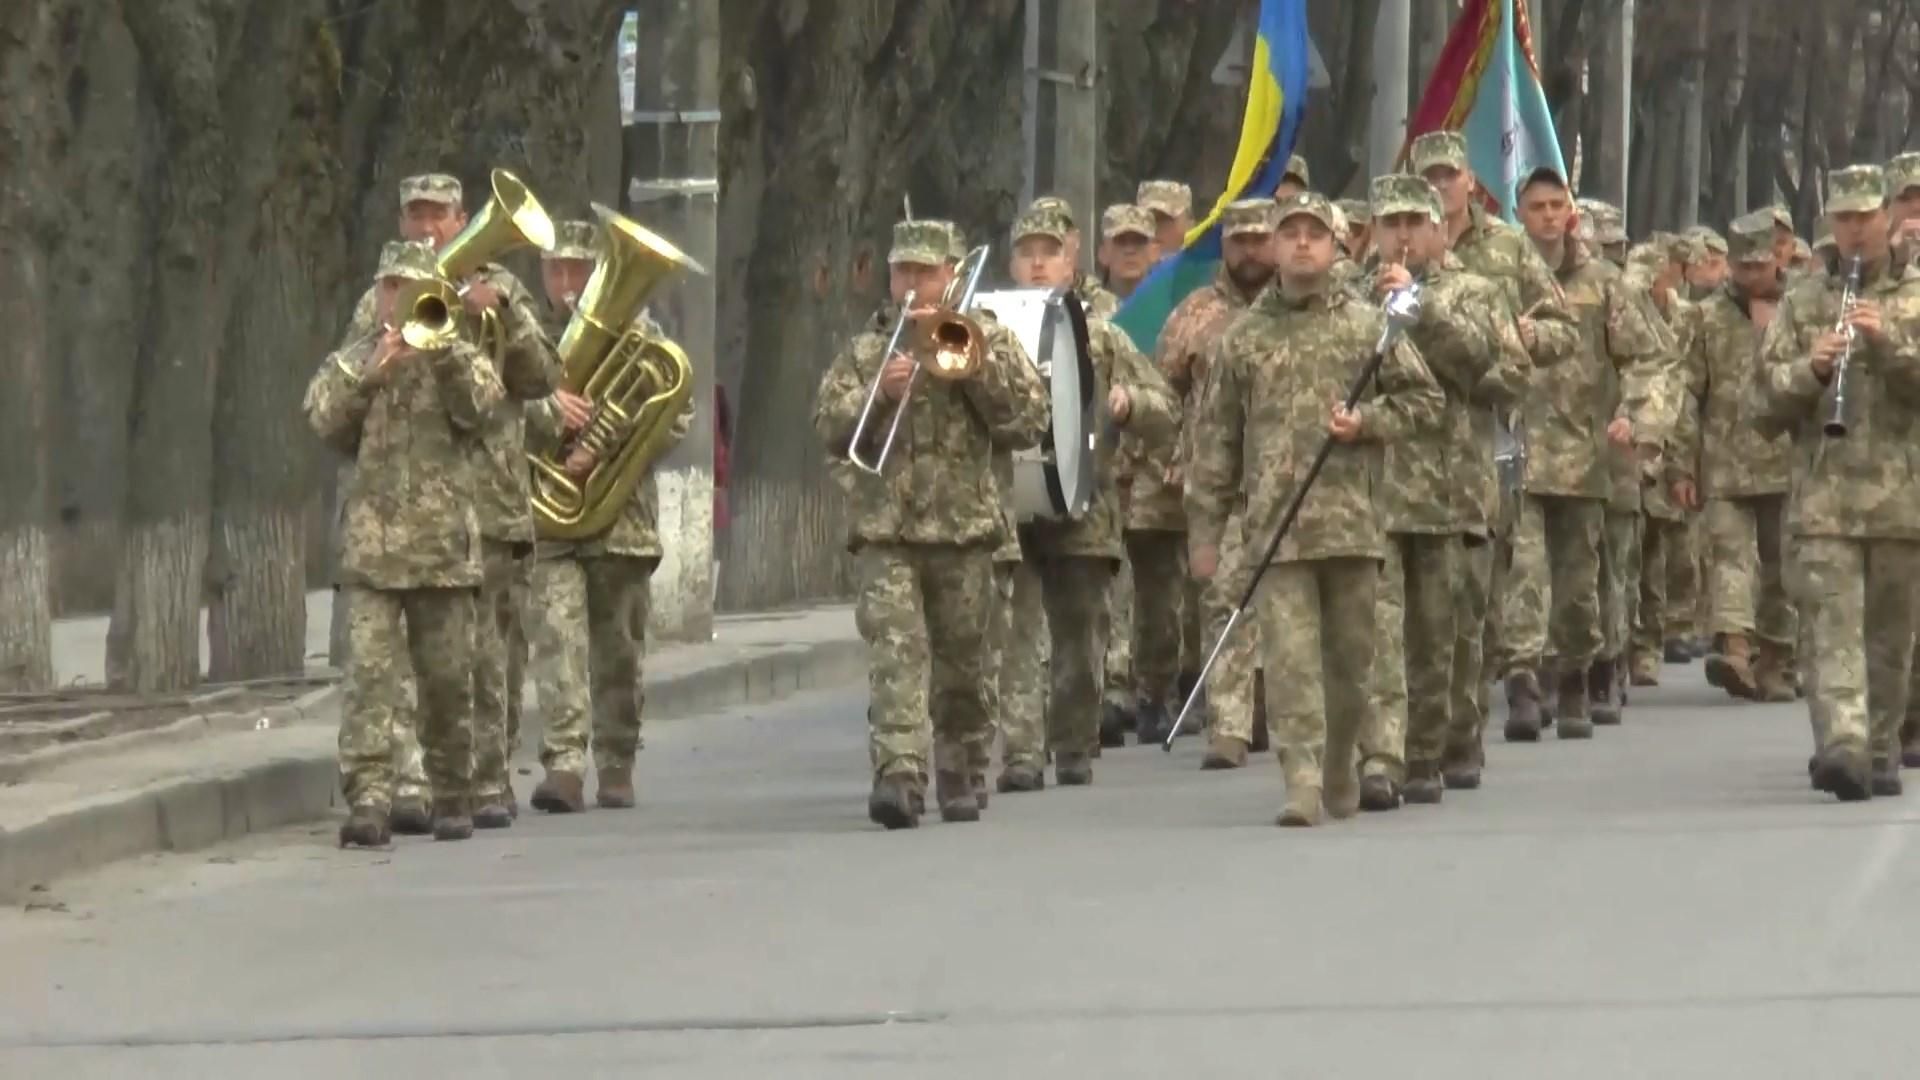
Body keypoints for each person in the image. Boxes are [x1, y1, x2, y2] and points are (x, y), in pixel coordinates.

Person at [1188, 191, 1443, 827]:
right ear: (1273, 246)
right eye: (1290, 233)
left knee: (1352, 662)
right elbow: (1216, 438)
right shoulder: (1243, 338)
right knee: (1291, 662)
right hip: (1276, 530)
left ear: (1336, 247)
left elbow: (1424, 403)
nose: (1302, 243)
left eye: (1315, 234)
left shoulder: (1367, 325)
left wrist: (1368, 421)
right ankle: (1299, 778)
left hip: (1353, 524)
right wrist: (1206, 531)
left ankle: (1339, 762)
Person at [337, 172, 558, 834]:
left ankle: (485, 780)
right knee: (402, 665)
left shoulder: (501, 291)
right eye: (415, 216)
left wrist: (501, 313)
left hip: (491, 497)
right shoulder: (383, 294)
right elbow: (349, 378)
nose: (427, 227)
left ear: (463, 217)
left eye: (438, 215)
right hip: (412, 516)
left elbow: (543, 376)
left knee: (486, 660)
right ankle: (411, 785)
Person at [813, 218, 1048, 826]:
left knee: (964, 664)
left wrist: (975, 369)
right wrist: (878, 394)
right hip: (887, 530)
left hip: (966, 531)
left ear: (951, 275)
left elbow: (1028, 421)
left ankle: (961, 767)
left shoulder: (984, 336)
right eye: (903, 271)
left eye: (926, 272)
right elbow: (828, 427)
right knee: (897, 653)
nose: (913, 284)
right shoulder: (869, 348)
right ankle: (899, 775)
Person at [304, 240, 504, 846]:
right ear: (379, 292)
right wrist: (370, 376)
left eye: (413, 287)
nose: (401, 298)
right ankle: (369, 799)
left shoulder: (458, 355)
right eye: (392, 286)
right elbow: (321, 419)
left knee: (447, 681)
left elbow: (484, 411)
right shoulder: (358, 355)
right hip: (372, 553)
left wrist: (441, 354)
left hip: (442, 553)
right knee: (369, 680)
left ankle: (450, 794)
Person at [1355, 174, 1532, 806]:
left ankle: (1439, 745)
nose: (1402, 236)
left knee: (1447, 634)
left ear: (1438, 228)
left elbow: (1508, 379)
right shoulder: (1351, 297)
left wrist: (1422, 313)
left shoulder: (1475, 293)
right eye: (1390, 224)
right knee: (1376, 634)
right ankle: (1386, 755)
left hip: (1452, 491)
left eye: (1414, 223)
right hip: (1371, 493)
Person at [1407, 130, 1581, 763]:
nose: (1440, 188)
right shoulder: (1389, 258)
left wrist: (1525, 333)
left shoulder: (1506, 250)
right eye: (1428, 178)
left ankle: (1498, 689)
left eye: (1448, 176)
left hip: (1491, 433)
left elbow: (1563, 329)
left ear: (1469, 181)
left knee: (1484, 582)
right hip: (1403, 449)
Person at [999, 199, 1176, 785]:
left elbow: (1165, 407)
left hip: (1085, 506)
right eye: (1028, 254)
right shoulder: (989, 334)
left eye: (1050, 253)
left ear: (1071, 263)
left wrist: (1131, 405)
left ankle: (1072, 741)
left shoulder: (1100, 335)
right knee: (1017, 635)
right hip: (1012, 506)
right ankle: (1022, 752)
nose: (1039, 264)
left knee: (1080, 635)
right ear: (1013, 264)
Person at [1757, 164, 1920, 800]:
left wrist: (1890, 346)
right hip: (1823, 500)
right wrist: (1810, 370)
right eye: (1843, 218)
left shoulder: (1912, 292)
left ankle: (1879, 744)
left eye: (1865, 216)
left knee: (1887, 636)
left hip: (1901, 500)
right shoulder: (1803, 298)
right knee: (1830, 629)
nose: (1855, 230)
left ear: (1887, 217)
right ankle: (1842, 744)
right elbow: (1762, 404)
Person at [523, 219, 693, 814]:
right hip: (547, 516)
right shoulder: (522, 337)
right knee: (557, 639)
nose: (566, 282)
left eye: (579, 269)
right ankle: (563, 764)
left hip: (621, 518)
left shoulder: (640, 332)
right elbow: (484, 407)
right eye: (556, 269)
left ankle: (617, 760)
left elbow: (674, 414)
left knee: (618, 646)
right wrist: (546, 412)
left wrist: (602, 437)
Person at [1502, 166, 1672, 741]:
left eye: (1557, 205)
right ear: (1519, 214)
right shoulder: (1503, 279)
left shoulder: (1603, 282)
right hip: (1516, 453)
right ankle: (1524, 683)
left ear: (1569, 212)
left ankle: (1576, 674)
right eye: (1536, 207)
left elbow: (1647, 357)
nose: (1548, 216)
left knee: (1579, 586)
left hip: (1584, 455)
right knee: (1524, 575)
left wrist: (1635, 414)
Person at [1159, 199, 1280, 769]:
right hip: (1223, 483)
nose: (1251, 251)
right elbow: (1164, 394)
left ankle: (1274, 708)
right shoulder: (1195, 315)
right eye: (1240, 241)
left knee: (1290, 604)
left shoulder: (1302, 310)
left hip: (1294, 480)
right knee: (1225, 600)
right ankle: (1228, 725)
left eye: (1261, 239)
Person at [1670, 210, 1797, 703]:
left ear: (1778, 259)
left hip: (1788, 461)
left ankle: (1776, 660)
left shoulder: (1802, 308)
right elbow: (1687, 394)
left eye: (1759, 267)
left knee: (1782, 569)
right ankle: (1736, 650)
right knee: (1730, 558)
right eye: (1741, 268)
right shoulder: (1707, 316)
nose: (1750, 277)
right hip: (1724, 462)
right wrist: (1681, 464)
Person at [1098, 203, 1161, 299]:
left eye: (1139, 241)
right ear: (1103, 254)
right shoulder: (1083, 309)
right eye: (1120, 241)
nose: (1130, 250)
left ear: (1155, 252)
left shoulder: (1173, 309)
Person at [1138, 180, 1194, 255]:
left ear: (1189, 225)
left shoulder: (1207, 262)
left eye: (1164, 218)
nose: (1155, 227)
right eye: (1148, 220)